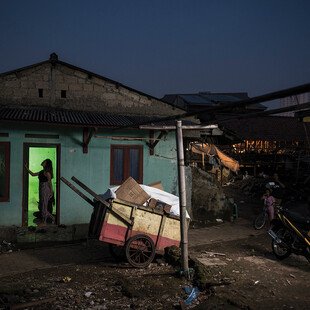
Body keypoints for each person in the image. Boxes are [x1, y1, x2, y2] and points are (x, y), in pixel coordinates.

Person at [25, 159, 55, 225]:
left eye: (44, 161)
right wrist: (26, 167)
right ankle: (47, 220)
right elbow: (32, 174)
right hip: (42, 189)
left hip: (46, 189)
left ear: (46, 164)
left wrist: (51, 192)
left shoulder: (47, 173)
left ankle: (50, 219)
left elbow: (50, 183)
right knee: (42, 206)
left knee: (44, 207)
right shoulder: (42, 171)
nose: (42, 162)